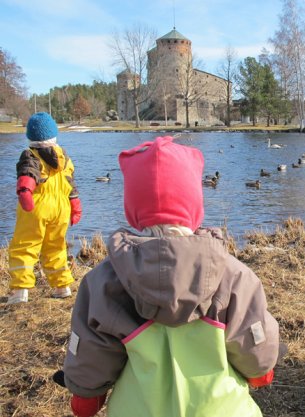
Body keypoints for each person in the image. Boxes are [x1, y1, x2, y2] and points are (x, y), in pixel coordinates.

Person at [57, 136, 280, 417]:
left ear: (133, 209)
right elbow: (255, 354)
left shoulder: (102, 283)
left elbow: (90, 357)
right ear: (195, 206)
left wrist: (86, 397)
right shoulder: (234, 276)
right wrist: (261, 373)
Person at [7, 112, 82, 305]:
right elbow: (70, 183)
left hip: (37, 208)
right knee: (56, 247)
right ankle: (62, 286)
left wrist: (25, 192)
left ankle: (20, 291)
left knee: (25, 247)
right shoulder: (64, 157)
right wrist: (75, 205)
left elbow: (27, 176)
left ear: (31, 136)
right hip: (61, 209)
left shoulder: (30, 155)